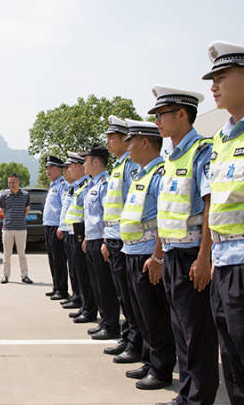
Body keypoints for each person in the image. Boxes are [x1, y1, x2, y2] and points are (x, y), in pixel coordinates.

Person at [149, 85, 218, 404]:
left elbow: (210, 206)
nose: (158, 121)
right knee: (180, 328)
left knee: (197, 333)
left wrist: (204, 257)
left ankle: (199, 396)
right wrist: (159, 254)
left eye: (162, 114)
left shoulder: (201, 151)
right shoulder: (169, 158)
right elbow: (167, 211)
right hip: (174, 253)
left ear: (182, 114)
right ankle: (186, 393)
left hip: (193, 255)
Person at [203, 40, 244, 405]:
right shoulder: (222, 139)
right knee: (230, 359)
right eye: (211, 79)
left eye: (222, 76)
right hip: (225, 261)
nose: (213, 86)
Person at [121, 120, 176, 391]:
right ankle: (149, 360)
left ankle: (162, 368)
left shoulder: (160, 173)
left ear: (145, 142)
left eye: (130, 141)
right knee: (142, 314)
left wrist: (158, 256)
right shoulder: (140, 174)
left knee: (155, 316)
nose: (127, 146)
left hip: (148, 254)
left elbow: (165, 219)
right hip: (132, 251)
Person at [101, 116, 142, 361]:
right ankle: (128, 338)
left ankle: (135, 344)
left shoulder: (131, 166)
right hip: (115, 238)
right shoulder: (118, 166)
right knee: (124, 296)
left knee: (131, 298)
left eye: (112, 138)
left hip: (127, 240)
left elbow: (132, 204)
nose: (108, 142)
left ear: (126, 141)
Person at [82, 144, 121, 340]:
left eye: (86, 161)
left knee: (105, 285)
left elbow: (109, 213)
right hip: (92, 239)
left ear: (96, 162)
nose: (83, 165)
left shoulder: (105, 183)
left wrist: (105, 240)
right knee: (96, 283)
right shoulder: (92, 184)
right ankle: (104, 321)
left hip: (101, 240)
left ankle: (112, 324)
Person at [64, 152, 97, 323]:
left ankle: (89, 308)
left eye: (70, 167)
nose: (67, 170)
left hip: (83, 233)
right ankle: (85, 305)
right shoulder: (78, 186)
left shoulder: (87, 185)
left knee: (85, 275)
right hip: (74, 232)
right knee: (78, 272)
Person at [56, 156, 80, 311]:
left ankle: (84, 303)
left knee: (80, 271)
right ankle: (77, 297)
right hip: (69, 230)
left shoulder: (80, 186)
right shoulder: (73, 187)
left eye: (68, 167)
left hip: (79, 233)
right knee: (74, 268)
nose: (66, 171)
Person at [0, 173, 33, 284]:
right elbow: (3, 211)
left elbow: (27, 209)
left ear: (18, 182)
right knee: (6, 254)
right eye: (9, 182)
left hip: (21, 229)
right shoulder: (4, 195)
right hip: (7, 228)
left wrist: (21, 218)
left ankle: (24, 275)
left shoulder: (25, 194)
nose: (11, 184)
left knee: (22, 254)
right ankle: (5, 275)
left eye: (13, 182)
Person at [42, 156, 67, 295]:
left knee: (59, 259)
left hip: (56, 227)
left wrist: (61, 226)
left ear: (60, 169)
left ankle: (62, 289)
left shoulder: (62, 185)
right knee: (52, 259)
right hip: (48, 226)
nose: (48, 171)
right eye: (47, 168)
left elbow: (64, 207)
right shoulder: (52, 186)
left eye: (51, 168)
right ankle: (56, 287)